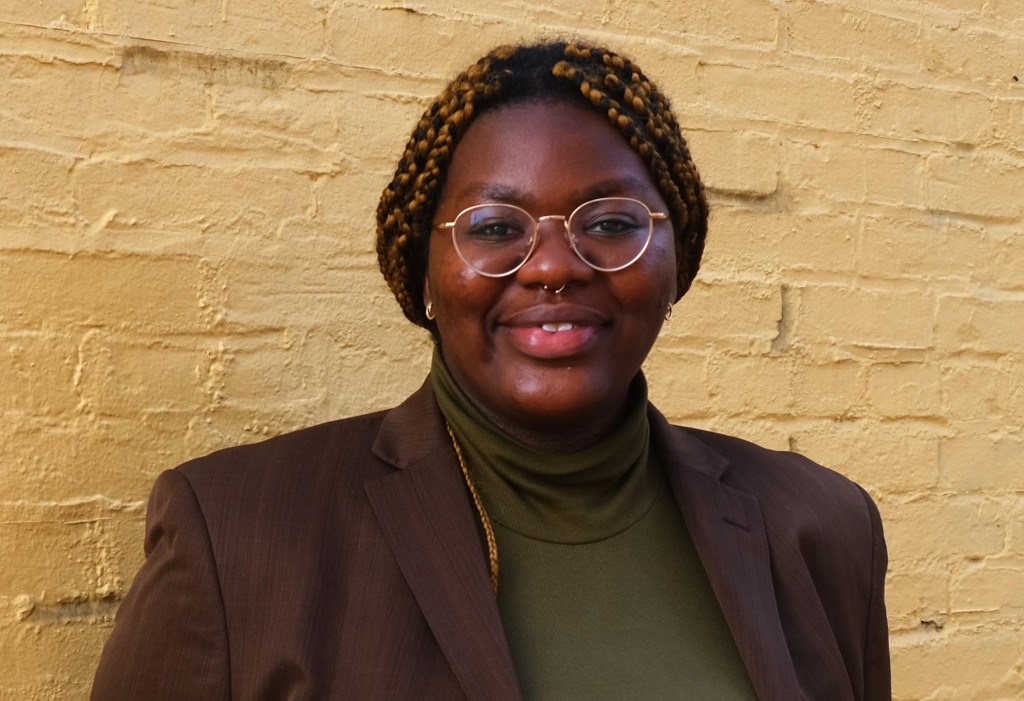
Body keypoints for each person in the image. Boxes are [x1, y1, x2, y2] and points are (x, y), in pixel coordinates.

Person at [91, 40, 890, 700]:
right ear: (426, 274)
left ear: (674, 264)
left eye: (610, 222)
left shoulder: (820, 527)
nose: (552, 267)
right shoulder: (239, 539)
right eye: (494, 225)